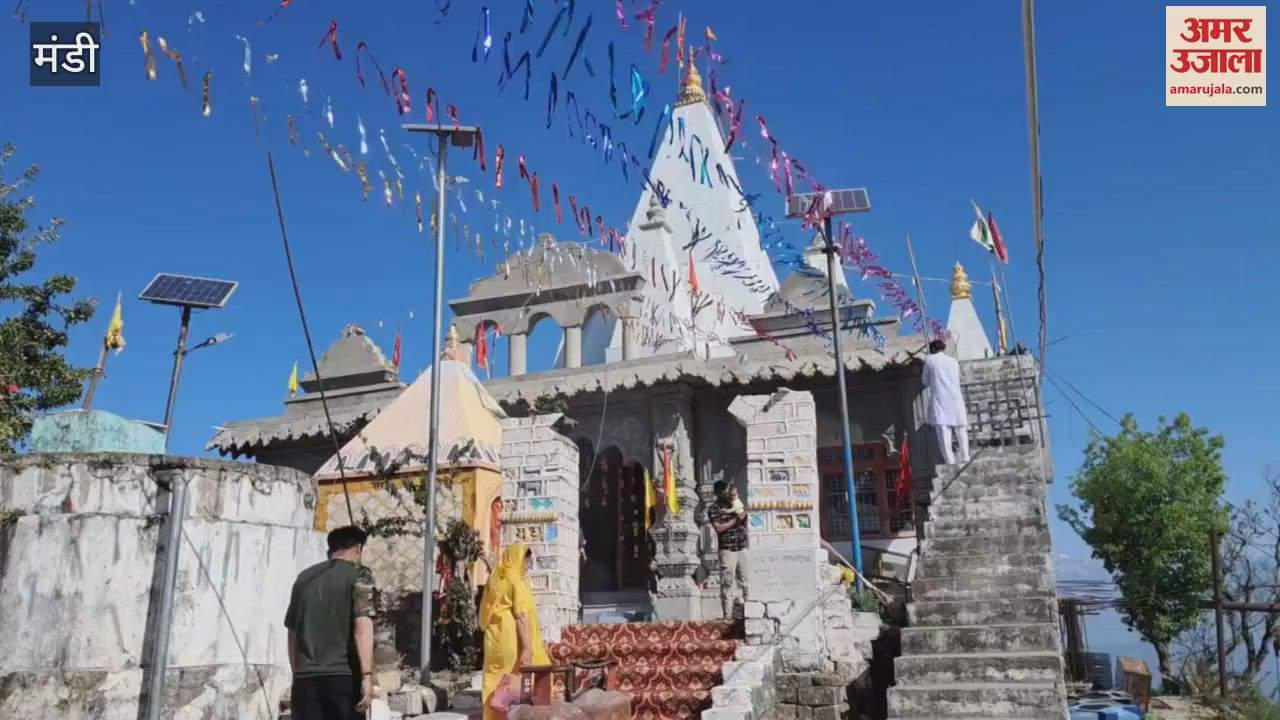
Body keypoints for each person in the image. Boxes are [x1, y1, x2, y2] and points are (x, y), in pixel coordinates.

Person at [285, 525, 377, 720]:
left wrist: (297, 675)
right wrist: (367, 676)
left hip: (304, 679)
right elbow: (362, 626)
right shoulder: (359, 574)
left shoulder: (303, 578)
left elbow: (292, 634)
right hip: (342, 678)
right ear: (358, 549)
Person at [479, 543, 551, 720]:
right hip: (512, 640)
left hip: (494, 640)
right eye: (525, 562)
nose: (526, 566)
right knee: (520, 681)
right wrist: (527, 647)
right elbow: (521, 616)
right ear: (518, 560)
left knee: (495, 679)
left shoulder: (496, 577)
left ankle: (493, 716)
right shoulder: (515, 580)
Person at [921, 338, 970, 464]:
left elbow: (925, 381)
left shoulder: (929, 360)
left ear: (932, 349)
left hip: (939, 398)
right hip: (955, 397)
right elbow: (959, 378)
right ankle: (965, 456)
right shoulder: (953, 361)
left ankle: (950, 459)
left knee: (943, 430)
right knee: (960, 428)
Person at [708, 480, 748, 619]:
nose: (728, 494)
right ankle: (727, 616)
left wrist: (742, 516)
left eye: (728, 491)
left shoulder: (735, 503)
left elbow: (744, 519)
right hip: (727, 549)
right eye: (725, 492)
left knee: (746, 582)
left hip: (741, 547)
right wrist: (735, 520)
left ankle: (751, 613)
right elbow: (719, 527)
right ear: (718, 494)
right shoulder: (713, 508)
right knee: (727, 583)